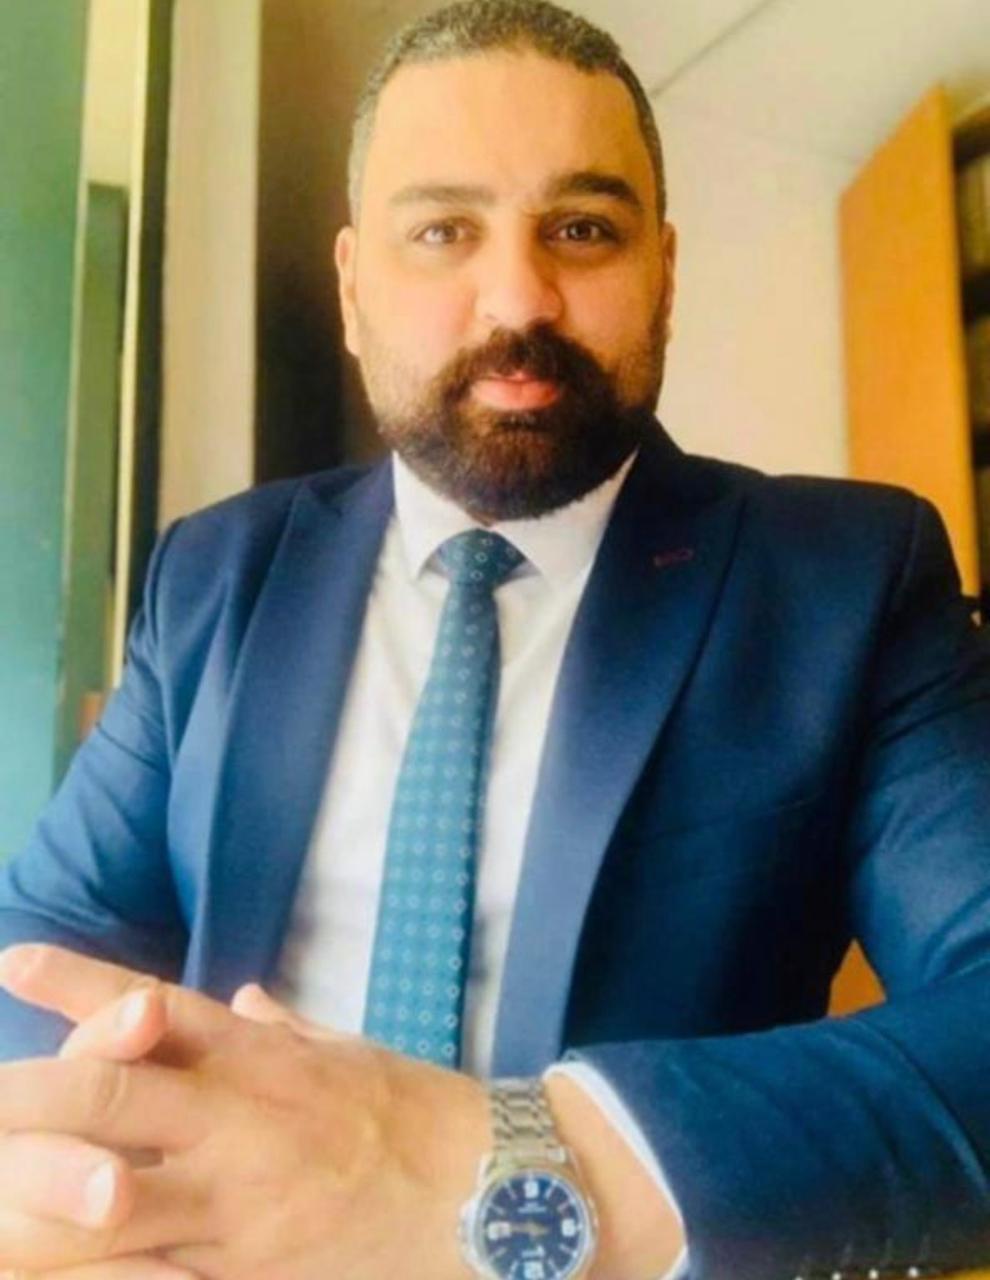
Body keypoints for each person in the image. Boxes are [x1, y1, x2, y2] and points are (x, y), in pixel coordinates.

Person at [1, 1, 989, 1278]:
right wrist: (94, 1181)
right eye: (442, 231)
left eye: (582, 228)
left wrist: (485, 1159)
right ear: (352, 288)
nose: (519, 297)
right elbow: (43, 939)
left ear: (665, 272)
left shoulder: (845, 578)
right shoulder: (216, 573)